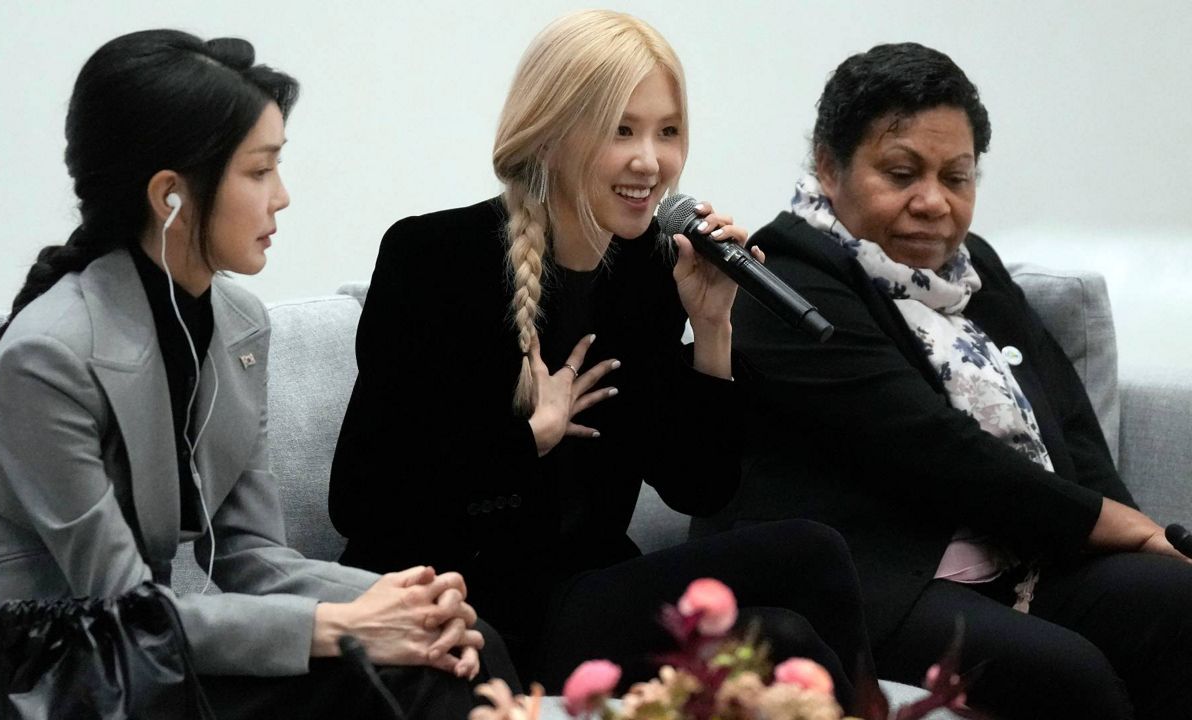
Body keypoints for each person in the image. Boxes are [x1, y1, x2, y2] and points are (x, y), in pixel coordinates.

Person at [0, 30, 489, 720]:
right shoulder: (45, 358)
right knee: (406, 682)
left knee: (465, 646)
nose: (281, 197)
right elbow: (124, 609)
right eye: (259, 171)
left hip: (145, 664)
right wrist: (343, 627)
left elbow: (252, 557)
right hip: (44, 677)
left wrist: (400, 601)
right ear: (171, 196)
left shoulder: (238, 324)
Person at [329, 10, 873, 704]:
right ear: (553, 134)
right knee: (811, 551)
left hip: (591, 597)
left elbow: (699, 489)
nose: (651, 161)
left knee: (785, 639)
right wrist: (530, 438)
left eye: (667, 131)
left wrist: (712, 329)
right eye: (622, 130)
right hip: (477, 608)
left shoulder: (648, 273)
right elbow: (361, 501)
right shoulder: (434, 258)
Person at [700, 41, 1192, 720]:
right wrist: (1123, 528)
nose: (933, 203)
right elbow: (937, 451)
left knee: (1176, 604)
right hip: (871, 585)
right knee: (1068, 676)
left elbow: (1068, 424)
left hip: (1017, 565)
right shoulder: (784, 280)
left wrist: (1147, 541)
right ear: (828, 165)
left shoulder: (971, 270)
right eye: (901, 173)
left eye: (956, 177)